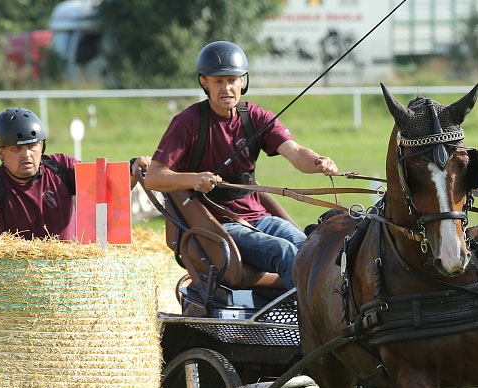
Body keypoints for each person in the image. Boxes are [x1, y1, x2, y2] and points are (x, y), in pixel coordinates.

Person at [144, 40, 339, 289]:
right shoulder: (187, 122)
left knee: (309, 248)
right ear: (203, 82)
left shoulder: (257, 117)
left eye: (232, 80)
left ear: (243, 82)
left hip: (259, 218)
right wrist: (194, 179)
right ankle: (307, 321)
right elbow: (154, 177)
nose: (226, 88)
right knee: (283, 252)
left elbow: (296, 152)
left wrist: (318, 162)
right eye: (218, 81)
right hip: (218, 227)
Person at [0, 107, 150, 240]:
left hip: (68, 271)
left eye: (32, 146)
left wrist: (132, 170)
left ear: (41, 146)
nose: (26, 155)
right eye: (16, 149)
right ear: (1, 152)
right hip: (19, 278)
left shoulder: (61, 166)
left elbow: (108, 189)